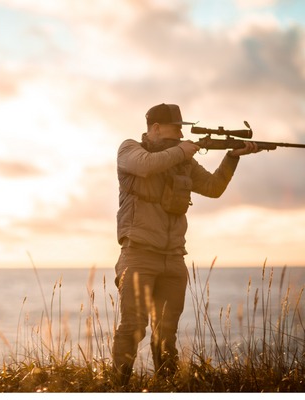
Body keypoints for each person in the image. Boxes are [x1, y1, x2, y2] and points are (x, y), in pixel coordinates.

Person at [112, 103, 261, 385]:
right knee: (132, 327)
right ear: (155, 128)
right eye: (175, 128)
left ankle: (167, 386)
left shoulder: (184, 161)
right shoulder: (129, 149)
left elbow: (214, 188)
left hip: (174, 258)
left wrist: (232, 156)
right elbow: (146, 166)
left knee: (167, 331)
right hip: (139, 254)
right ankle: (118, 387)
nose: (180, 134)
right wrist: (184, 149)